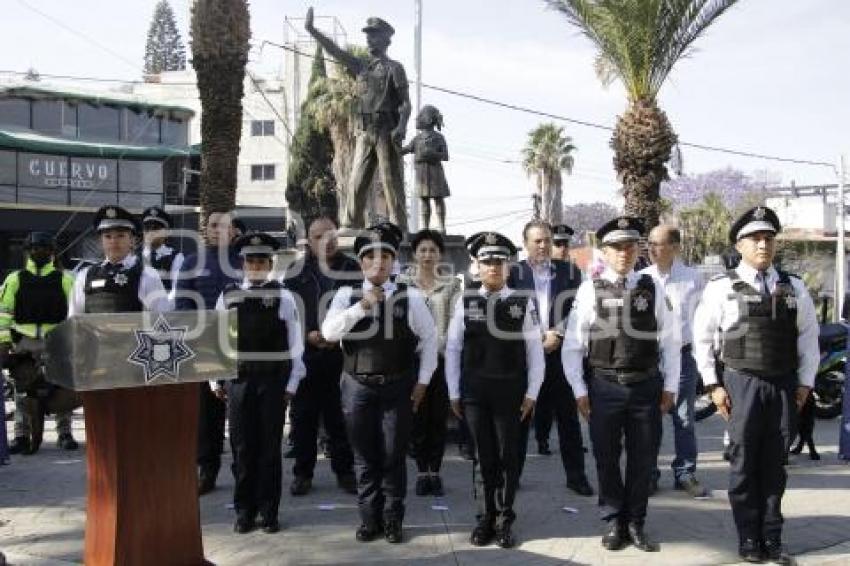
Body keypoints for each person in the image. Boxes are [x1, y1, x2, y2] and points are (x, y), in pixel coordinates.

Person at [693, 206, 818, 564]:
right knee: (744, 464)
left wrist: (805, 384)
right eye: (755, 239)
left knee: (775, 465)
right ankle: (749, 537)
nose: (763, 245)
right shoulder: (721, 287)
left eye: (768, 238)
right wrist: (713, 386)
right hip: (741, 385)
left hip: (783, 386)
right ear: (740, 244)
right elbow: (702, 340)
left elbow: (808, 340)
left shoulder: (793, 287)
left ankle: (773, 537)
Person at [562, 216, 680, 553]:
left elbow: (670, 340)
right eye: (616, 246)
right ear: (605, 251)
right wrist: (579, 391)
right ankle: (614, 520)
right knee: (606, 458)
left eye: (630, 245)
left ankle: (636, 522)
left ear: (638, 249)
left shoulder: (652, 287)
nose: (624, 252)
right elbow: (573, 345)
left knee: (643, 460)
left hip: (645, 387)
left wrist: (670, 385)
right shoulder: (590, 289)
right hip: (605, 386)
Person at [321, 223, 438, 544]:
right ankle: (368, 519)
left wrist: (423, 382)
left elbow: (429, 339)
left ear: (392, 261)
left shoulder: (409, 296)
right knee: (364, 456)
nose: (379, 262)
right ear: (361, 263)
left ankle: (392, 519)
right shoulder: (346, 295)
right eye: (371, 257)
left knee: (392, 455)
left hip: (397, 386)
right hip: (357, 386)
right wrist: (363, 305)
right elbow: (330, 333)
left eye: (385, 256)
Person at [446, 231, 544, 548]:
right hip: (475, 393)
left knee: (507, 458)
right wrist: (453, 392)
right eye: (487, 262)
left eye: (499, 262)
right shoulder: (466, 301)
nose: (494, 268)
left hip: (511, 392)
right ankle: (484, 519)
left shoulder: (522, 302)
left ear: (507, 266)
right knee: (482, 458)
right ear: (477, 266)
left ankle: (504, 520)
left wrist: (532, 392)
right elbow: (452, 348)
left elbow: (535, 352)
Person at [216, 232, 306, 534]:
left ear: (270, 264)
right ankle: (244, 511)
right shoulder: (227, 295)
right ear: (242, 263)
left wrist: (293, 382)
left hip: (272, 383)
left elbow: (295, 344)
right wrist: (216, 379)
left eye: (261, 261)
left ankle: (269, 512)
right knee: (242, 449)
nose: (255, 266)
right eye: (250, 260)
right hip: (239, 382)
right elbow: (217, 341)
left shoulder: (283, 297)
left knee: (269, 450)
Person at [304, 8, 411, 231]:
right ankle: (352, 223)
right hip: (364, 130)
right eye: (368, 35)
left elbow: (405, 103)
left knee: (392, 182)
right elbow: (335, 51)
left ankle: (400, 228)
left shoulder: (395, 68)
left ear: (385, 39)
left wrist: (401, 127)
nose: (369, 39)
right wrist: (313, 31)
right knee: (356, 180)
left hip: (386, 129)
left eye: (374, 34)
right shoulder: (361, 67)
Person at [509, 220, 593, 497]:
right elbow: (507, 312)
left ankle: (576, 477)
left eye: (547, 240)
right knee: (519, 419)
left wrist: (558, 332)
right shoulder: (513, 273)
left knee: (568, 419)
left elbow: (579, 310)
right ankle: (513, 476)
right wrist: (534, 340)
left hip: (560, 355)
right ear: (526, 244)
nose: (543, 245)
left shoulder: (570, 272)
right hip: (525, 356)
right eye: (537, 241)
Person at [285, 216, 359, 497]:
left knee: (339, 417)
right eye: (318, 236)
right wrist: (308, 335)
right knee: (304, 418)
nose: (325, 241)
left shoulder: (353, 268)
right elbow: (288, 313)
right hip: (307, 355)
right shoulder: (296, 271)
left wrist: (337, 335)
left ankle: (345, 471)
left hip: (343, 355)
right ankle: (303, 473)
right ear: (309, 241)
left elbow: (362, 308)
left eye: (330, 235)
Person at [175, 211, 241, 495]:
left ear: (233, 231)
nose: (218, 230)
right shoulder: (191, 263)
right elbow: (181, 305)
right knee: (206, 415)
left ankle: (244, 470)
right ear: (206, 230)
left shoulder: (245, 263)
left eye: (224, 225)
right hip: (204, 347)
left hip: (240, 348)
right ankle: (207, 469)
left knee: (241, 413)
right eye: (213, 225)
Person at [641, 225, 708, 498]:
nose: (654, 249)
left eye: (660, 244)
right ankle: (649, 474)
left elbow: (703, 321)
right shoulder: (641, 278)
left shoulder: (693, 279)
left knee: (683, 419)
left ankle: (685, 473)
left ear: (676, 247)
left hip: (682, 357)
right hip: (648, 358)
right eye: (651, 244)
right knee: (648, 419)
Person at [397, 229, 462, 497]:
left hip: (441, 359)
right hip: (410, 362)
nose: (427, 255)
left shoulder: (452, 285)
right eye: (422, 250)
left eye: (432, 250)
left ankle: (435, 471)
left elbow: (455, 320)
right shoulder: (402, 283)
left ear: (440, 254)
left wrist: (437, 346)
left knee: (437, 417)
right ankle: (421, 470)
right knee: (416, 416)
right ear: (414, 254)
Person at [1, 232, 76, 454]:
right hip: (24, 343)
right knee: (23, 392)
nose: (38, 252)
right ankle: (21, 435)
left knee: (62, 387)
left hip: (56, 342)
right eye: (34, 249)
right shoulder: (14, 279)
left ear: (52, 252)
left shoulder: (65, 279)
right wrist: (4, 343)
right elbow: (4, 313)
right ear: (27, 252)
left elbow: (73, 315)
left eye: (43, 248)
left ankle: (65, 433)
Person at [67, 206, 169, 317]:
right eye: (108, 236)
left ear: (132, 240)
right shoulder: (85, 275)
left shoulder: (147, 275)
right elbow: (74, 319)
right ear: (101, 241)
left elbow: (162, 318)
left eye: (120, 236)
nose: (113, 241)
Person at [401, 105, 450, 233]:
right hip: (422, 173)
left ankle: (441, 226)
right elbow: (405, 150)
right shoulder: (417, 139)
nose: (417, 118)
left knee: (438, 198)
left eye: (421, 116)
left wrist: (432, 153)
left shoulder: (438, 137)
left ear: (428, 119)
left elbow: (445, 155)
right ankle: (425, 227)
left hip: (435, 171)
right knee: (424, 200)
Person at [140, 206, 184, 296]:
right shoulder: (133, 256)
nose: (151, 232)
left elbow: (176, 290)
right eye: (147, 228)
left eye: (156, 228)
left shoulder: (175, 257)